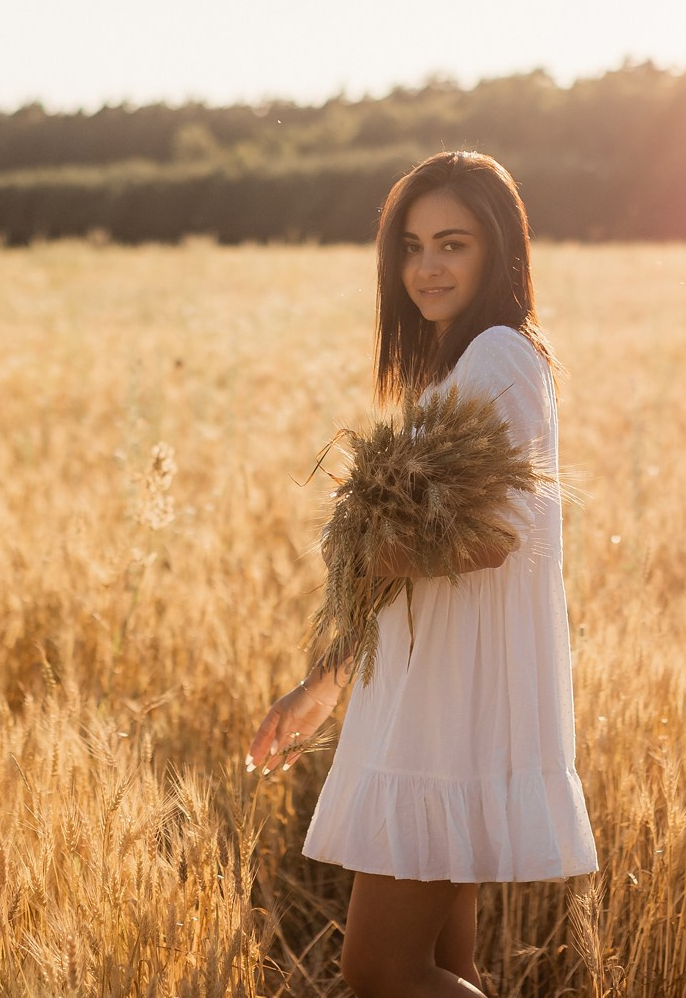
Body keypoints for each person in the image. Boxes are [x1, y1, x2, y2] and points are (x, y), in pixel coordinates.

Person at [248, 150, 599, 997]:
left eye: (452, 243)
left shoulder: (498, 356)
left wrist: (363, 544)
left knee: (381, 969)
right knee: (445, 968)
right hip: (432, 688)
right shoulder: (462, 362)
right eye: (411, 246)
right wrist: (325, 685)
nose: (426, 267)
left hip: (454, 703)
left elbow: (494, 536)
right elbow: (423, 559)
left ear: (498, 250)